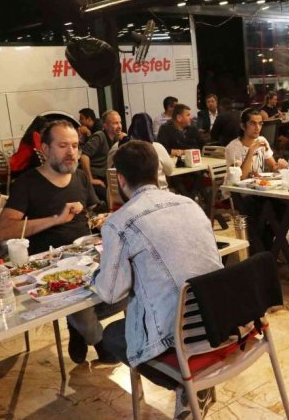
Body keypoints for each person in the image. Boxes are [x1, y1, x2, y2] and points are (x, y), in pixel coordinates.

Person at [94, 141, 222, 419]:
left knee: (112, 335)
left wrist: (96, 273)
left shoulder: (119, 222)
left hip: (178, 335)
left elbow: (110, 293)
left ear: (120, 179)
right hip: (223, 320)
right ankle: (194, 384)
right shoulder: (189, 204)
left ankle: (187, 385)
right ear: (157, 171)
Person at [0, 120, 119, 363]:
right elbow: (3, 231)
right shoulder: (27, 183)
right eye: (63, 146)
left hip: (88, 256)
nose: (71, 152)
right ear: (45, 149)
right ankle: (97, 339)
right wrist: (55, 219)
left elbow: (92, 214)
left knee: (128, 281)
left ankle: (77, 325)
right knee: (78, 298)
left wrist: (103, 220)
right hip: (50, 267)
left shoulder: (80, 177)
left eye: (74, 146)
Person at [108, 113, 174, 190]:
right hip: (158, 191)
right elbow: (170, 170)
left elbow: (110, 173)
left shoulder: (116, 147)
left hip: (128, 194)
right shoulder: (157, 147)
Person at [225, 108, 287, 181]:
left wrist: (280, 167)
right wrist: (251, 151)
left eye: (260, 124)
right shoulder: (233, 147)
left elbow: (273, 167)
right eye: (253, 124)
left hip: (257, 186)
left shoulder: (262, 140)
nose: (257, 128)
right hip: (235, 187)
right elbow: (241, 178)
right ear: (243, 126)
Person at [80, 110, 126, 201]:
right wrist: (91, 179)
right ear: (105, 125)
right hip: (95, 176)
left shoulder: (117, 138)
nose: (119, 126)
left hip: (106, 177)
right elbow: (84, 156)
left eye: (120, 122)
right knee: (111, 199)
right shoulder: (99, 136)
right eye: (115, 123)